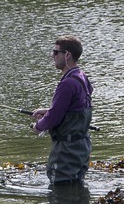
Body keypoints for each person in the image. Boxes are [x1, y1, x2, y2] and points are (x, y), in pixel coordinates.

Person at [31, 35, 93, 185]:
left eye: (55, 52)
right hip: (82, 147)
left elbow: (54, 119)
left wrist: (38, 127)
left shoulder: (67, 84)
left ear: (67, 55)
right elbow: (76, 106)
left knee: (60, 188)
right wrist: (48, 110)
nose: (52, 55)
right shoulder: (81, 76)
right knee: (75, 187)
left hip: (66, 151)